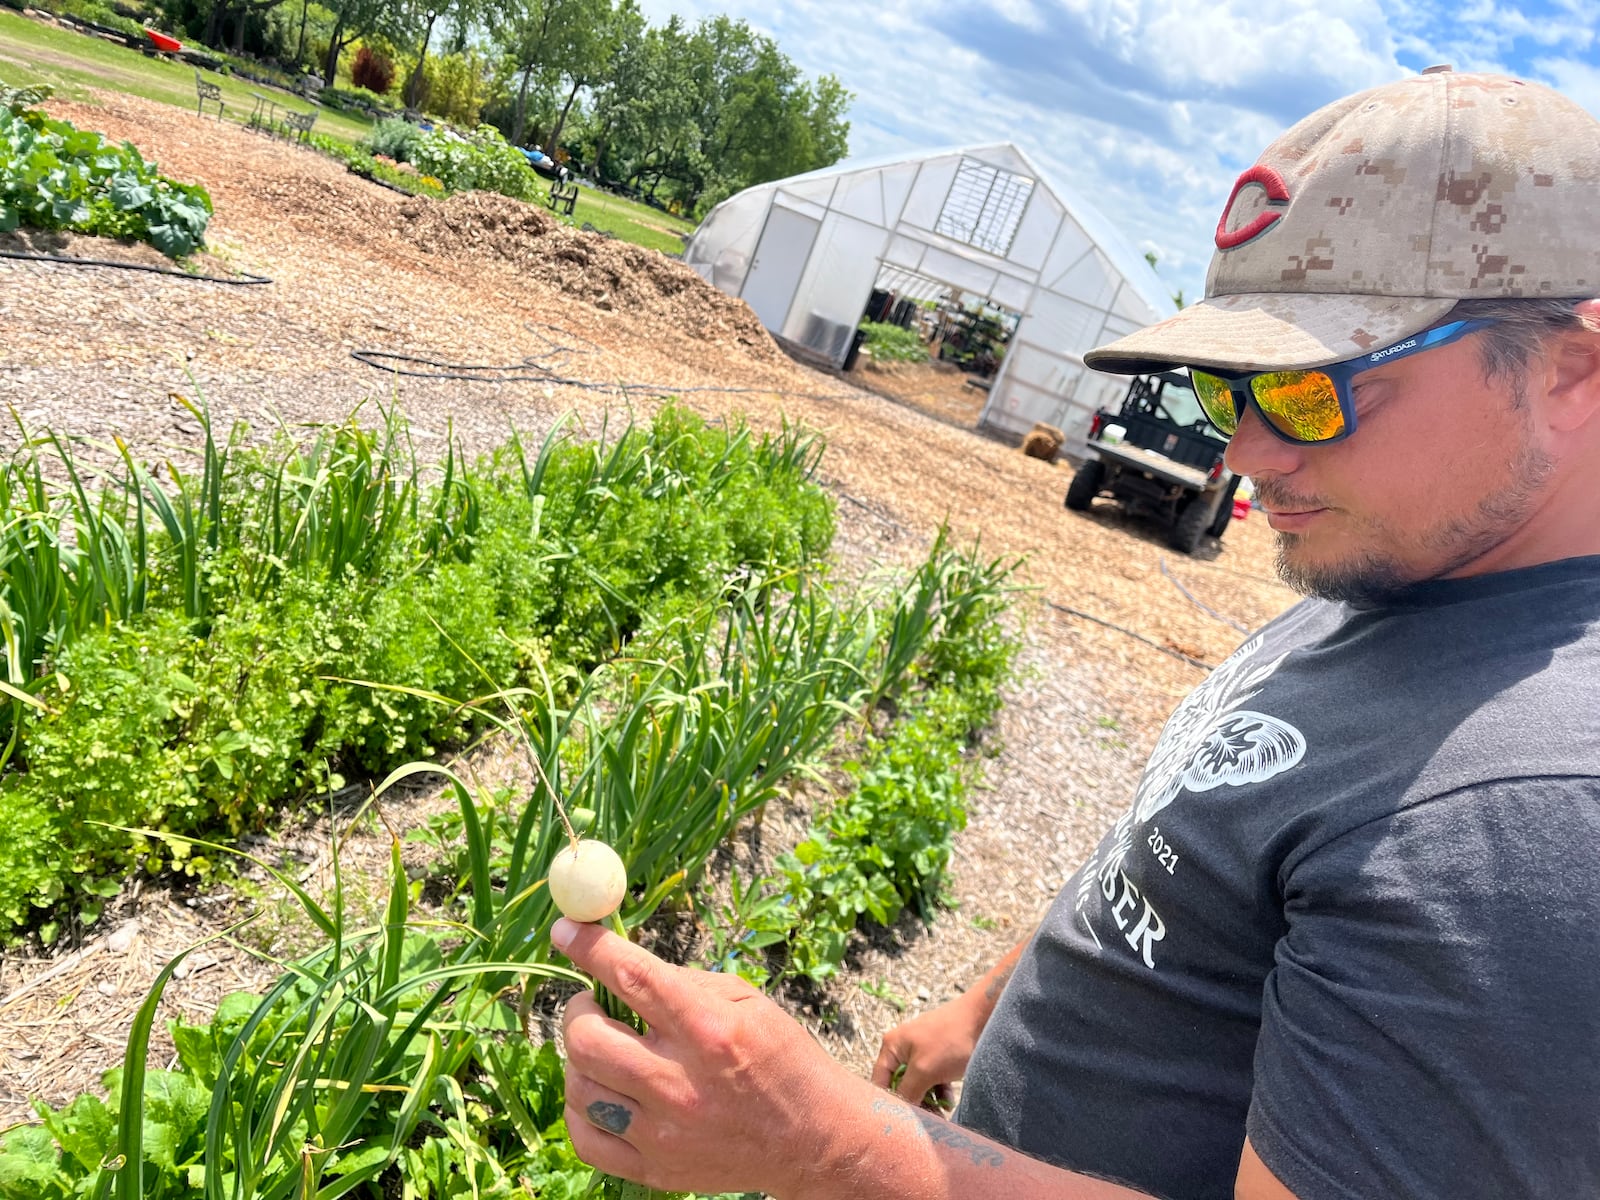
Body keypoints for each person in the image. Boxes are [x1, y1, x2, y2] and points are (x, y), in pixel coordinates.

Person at [556, 66, 1600, 1199]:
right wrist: (982, 1007)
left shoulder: (1524, 814)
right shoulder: (1400, 578)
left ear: (1568, 371)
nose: (1246, 455)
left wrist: (829, 1147)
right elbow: (1175, 853)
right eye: (1229, 391)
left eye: (1311, 392)